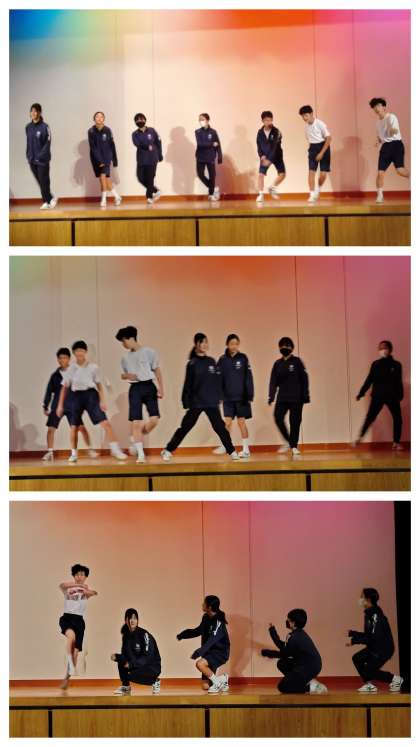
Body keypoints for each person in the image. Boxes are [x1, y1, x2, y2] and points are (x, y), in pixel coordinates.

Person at [161, 333, 239, 461]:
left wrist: (219, 396)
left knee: (220, 428)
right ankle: (168, 450)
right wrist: (185, 401)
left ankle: (232, 451)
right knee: (185, 427)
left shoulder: (211, 361)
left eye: (206, 342)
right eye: (202, 342)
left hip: (211, 402)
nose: (205, 344)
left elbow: (217, 381)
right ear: (197, 344)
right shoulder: (192, 364)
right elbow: (187, 384)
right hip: (196, 402)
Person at [56, 340, 127, 463]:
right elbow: (64, 387)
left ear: (85, 352)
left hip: (91, 395)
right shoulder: (71, 368)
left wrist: (102, 400)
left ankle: (116, 450)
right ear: (74, 353)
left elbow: (99, 384)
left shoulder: (94, 367)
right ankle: (74, 454)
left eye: (82, 350)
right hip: (76, 397)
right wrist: (60, 405)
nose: (80, 353)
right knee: (74, 427)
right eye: (77, 351)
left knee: (105, 423)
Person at [115, 326, 163, 463]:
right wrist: (127, 376)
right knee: (136, 422)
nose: (123, 344)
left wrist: (161, 388)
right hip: (135, 388)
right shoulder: (125, 358)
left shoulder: (149, 352)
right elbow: (123, 375)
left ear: (131, 338)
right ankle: (140, 454)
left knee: (154, 420)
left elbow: (157, 370)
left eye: (124, 341)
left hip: (149, 386)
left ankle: (139, 436)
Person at [42, 347, 97, 461]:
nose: (63, 360)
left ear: (69, 359)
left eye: (65, 357)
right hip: (57, 405)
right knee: (51, 429)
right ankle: (50, 452)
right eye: (60, 358)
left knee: (81, 428)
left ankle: (90, 449)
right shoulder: (55, 375)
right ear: (58, 359)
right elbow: (49, 391)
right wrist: (45, 405)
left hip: (73, 405)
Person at [346, 587, 403, 693]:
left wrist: (354, 641)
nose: (360, 599)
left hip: (383, 649)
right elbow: (369, 635)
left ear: (368, 599)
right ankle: (369, 685)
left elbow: (372, 637)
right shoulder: (369, 614)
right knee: (357, 658)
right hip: (375, 647)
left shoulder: (376, 615)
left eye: (362, 597)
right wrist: (352, 633)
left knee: (369, 670)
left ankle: (395, 679)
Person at [261, 608, 327, 694]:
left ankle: (313, 688)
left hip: (309, 667)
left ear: (293, 623)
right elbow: (283, 647)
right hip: (306, 664)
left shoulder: (295, 637)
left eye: (288, 620)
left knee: (283, 687)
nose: (287, 622)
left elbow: (284, 654)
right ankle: (304, 682)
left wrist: (268, 653)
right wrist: (272, 630)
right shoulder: (297, 633)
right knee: (282, 663)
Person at [354, 340, 404, 449]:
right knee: (370, 417)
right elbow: (369, 380)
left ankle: (396, 442)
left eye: (385, 347)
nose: (383, 350)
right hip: (378, 396)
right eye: (380, 348)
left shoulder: (397, 365)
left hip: (392, 396)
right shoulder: (376, 364)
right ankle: (359, 438)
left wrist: (400, 395)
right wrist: (361, 393)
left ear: (390, 349)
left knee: (398, 419)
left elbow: (398, 381)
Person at [177, 595, 230, 693]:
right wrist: (183, 635)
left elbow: (212, 639)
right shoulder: (206, 617)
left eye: (204, 603)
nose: (202, 605)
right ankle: (222, 680)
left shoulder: (218, 621)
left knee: (199, 664)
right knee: (205, 686)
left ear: (209, 607)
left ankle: (218, 683)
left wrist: (199, 652)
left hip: (219, 653)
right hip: (209, 653)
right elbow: (198, 631)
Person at [268, 337, 310, 456]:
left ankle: (294, 446)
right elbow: (273, 381)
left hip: (297, 397)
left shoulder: (297, 362)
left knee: (295, 421)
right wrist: (271, 396)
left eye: (287, 346)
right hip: (282, 397)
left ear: (292, 348)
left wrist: (305, 395)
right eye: (282, 346)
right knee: (278, 417)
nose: (284, 348)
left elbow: (304, 379)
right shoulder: (277, 364)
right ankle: (288, 441)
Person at [214, 334, 254, 457]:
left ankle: (246, 449)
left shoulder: (243, 358)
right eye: (232, 344)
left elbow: (248, 377)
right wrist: (219, 395)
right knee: (227, 423)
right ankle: (225, 446)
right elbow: (218, 379)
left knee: (241, 422)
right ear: (227, 344)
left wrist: (250, 394)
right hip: (227, 398)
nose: (234, 346)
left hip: (242, 398)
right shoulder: (222, 360)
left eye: (236, 344)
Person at [59, 564, 98, 690]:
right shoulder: (68, 589)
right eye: (77, 574)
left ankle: (67, 678)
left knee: (76, 652)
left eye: (82, 574)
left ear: (85, 577)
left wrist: (88, 591)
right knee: (71, 637)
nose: (79, 577)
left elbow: (94, 593)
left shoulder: (85, 592)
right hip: (67, 618)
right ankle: (70, 664)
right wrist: (78, 586)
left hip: (79, 621)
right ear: (74, 576)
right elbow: (61, 585)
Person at [111, 608, 161, 695]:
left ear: (137, 620)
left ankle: (155, 681)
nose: (132, 620)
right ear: (126, 620)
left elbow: (146, 657)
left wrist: (131, 664)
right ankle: (126, 687)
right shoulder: (126, 636)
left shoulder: (144, 635)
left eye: (134, 618)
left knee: (131, 676)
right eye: (130, 618)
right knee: (121, 660)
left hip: (151, 666)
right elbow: (126, 655)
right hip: (138, 664)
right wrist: (118, 657)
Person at [369, 98, 409, 203]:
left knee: (400, 171)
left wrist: (392, 130)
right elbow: (380, 136)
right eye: (374, 107)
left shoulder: (391, 117)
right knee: (380, 172)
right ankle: (380, 195)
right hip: (386, 147)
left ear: (384, 107)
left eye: (378, 105)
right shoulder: (377, 123)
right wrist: (378, 141)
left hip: (396, 145)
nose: (376, 108)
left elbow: (393, 130)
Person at [25, 103, 58, 210]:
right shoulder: (28, 127)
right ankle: (49, 199)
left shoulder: (45, 127)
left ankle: (47, 200)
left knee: (44, 181)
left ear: (39, 113)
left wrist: (40, 156)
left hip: (42, 160)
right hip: (32, 159)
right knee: (40, 181)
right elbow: (28, 143)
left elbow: (47, 143)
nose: (33, 113)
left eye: (35, 111)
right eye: (32, 111)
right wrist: (28, 155)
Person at [298, 105, 332, 203]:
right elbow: (309, 139)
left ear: (311, 114)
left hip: (323, 147)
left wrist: (321, 153)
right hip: (313, 148)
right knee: (311, 172)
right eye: (303, 116)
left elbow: (329, 138)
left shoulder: (320, 124)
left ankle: (318, 189)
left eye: (306, 115)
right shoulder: (306, 127)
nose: (304, 118)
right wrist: (312, 150)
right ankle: (312, 194)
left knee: (323, 174)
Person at [88, 111, 121, 208]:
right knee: (105, 179)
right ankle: (117, 196)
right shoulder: (91, 131)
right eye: (97, 117)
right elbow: (93, 147)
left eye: (101, 117)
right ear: (94, 119)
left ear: (104, 119)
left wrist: (114, 159)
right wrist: (99, 160)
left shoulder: (108, 130)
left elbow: (112, 145)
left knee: (103, 177)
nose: (99, 118)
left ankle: (103, 200)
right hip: (96, 158)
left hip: (106, 157)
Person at [256, 110, 286, 203]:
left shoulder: (276, 132)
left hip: (277, 156)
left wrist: (269, 160)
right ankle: (261, 195)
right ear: (263, 121)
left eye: (270, 120)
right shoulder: (260, 132)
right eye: (266, 120)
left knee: (282, 174)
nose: (268, 122)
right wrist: (261, 156)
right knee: (261, 175)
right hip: (265, 157)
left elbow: (275, 147)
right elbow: (258, 145)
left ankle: (272, 187)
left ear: (272, 120)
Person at [132, 113, 163, 204]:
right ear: (135, 122)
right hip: (141, 159)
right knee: (140, 178)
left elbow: (158, 142)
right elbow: (137, 144)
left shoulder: (152, 131)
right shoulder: (135, 134)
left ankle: (149, 197)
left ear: (145, 120)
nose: (140, 121)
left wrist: (160, 154)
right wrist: (148, 146)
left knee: (150, 178)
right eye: (137, 120)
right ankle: (155, 190)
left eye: (141, 119)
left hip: (152, 158)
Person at [195, 113, 222, 201]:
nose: (201, 121)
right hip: (200, 156)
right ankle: (213, 188)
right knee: (200, 174)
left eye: (202, 119)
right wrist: (211, 144)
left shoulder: (213, 132)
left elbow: (218, 144)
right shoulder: (198, 132)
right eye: (199, 120)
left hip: (210, 156)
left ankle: (211, 194)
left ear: (207, 120)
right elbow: (200, 144)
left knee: (212, 176)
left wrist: (220, 156)